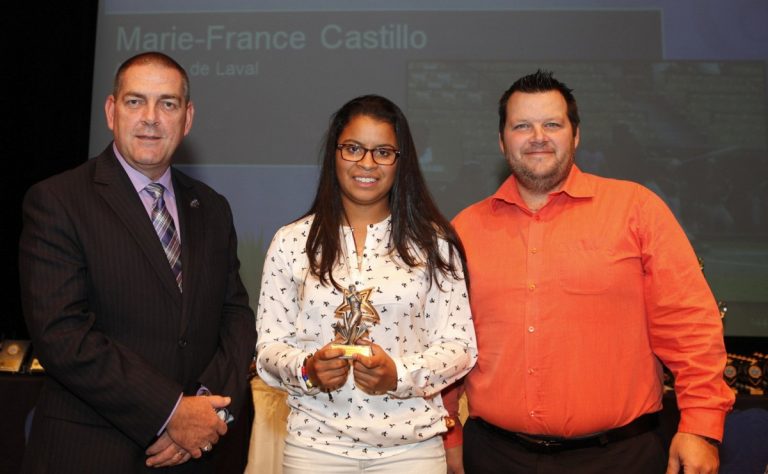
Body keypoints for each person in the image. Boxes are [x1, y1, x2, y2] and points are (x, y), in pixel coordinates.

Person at [442, 70, 734, 474]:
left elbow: (690, 325)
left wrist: (701, 428)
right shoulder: (465, 230)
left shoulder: (637, 209)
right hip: (493, 457)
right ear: (501, 141)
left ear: (575, 135)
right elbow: (447, 348)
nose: (538, 136)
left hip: (619, 457)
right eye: (522, 125)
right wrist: (449, 434)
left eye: (552, 124)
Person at [19, 52, 256, 473]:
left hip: (193, 455)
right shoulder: (57, 201)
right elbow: (63, 335)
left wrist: (206, 412)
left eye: (168, 103)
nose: (151, 117)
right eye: (135, 102)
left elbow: (235, 317)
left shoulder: (212, 208)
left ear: (188, 118)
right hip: (88, 453)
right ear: (111, 112)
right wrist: (171, 412)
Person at [255, 95, 477, 473]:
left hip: (412, 451)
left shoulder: (436, 243)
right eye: (354, 148)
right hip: (314, 447)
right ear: (335, 154)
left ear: (401, 161)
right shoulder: (292, 241)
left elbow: (460, 347)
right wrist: (307, 369)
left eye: (383, 152)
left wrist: (400, 375)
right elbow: (268, 348)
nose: (367, 164)